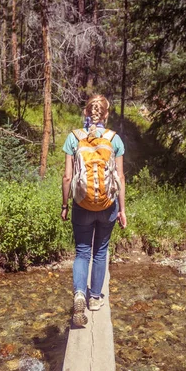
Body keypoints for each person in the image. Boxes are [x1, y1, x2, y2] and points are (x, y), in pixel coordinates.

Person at [61, 94, 127, 326]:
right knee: (100, 251)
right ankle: (95, 298)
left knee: (82, 252)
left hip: (82, 204)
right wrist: (122, 209)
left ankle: (79, 293)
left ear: (86, 113)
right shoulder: (114, 139)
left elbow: (68, 177)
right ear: (106, 114)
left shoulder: (74, 137)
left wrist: (65, 205)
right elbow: (119, 177)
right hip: (108, 205)